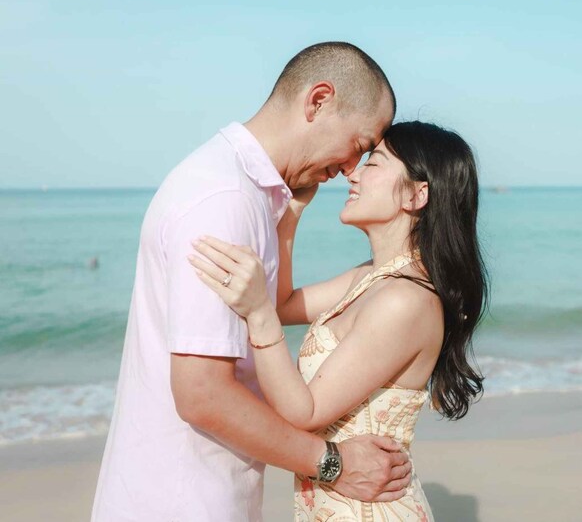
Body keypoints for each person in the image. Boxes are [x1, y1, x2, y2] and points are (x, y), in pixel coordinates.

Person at [91, 42, 413, 522]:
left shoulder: (243, 191)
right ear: (318, 100)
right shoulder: (225, 200)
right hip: (182, 500)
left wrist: (287, 219)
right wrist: (333, 464)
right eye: (359, 145)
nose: (350, 169)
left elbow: (274, 306)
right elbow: (202, 394)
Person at [188, 121, 488, 521]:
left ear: (418, 194)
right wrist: (292, 213)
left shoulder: (405, 299)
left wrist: (258, 315)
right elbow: (285, 304)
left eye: (374, 164)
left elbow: (303, 412)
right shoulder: (372, 277)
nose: (354, 173)